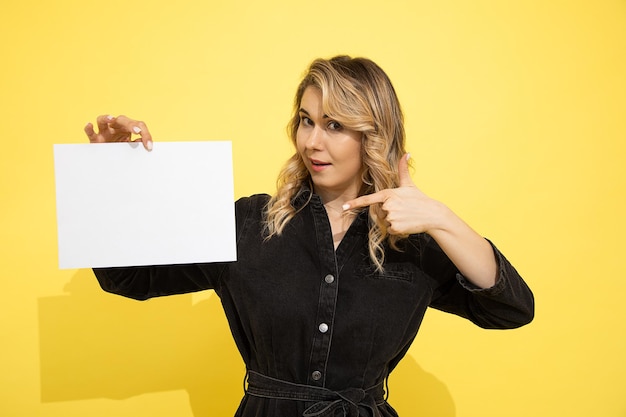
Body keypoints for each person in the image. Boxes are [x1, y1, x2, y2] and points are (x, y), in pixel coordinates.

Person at [84, 55, 534, 417]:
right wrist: (109, 175)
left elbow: (510, 309)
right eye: (306, 120)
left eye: (335, 126)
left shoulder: (410, 242)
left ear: (372, 135)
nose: (312, 142)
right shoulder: (249, 222)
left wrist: (443, 219)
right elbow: (128, 278)